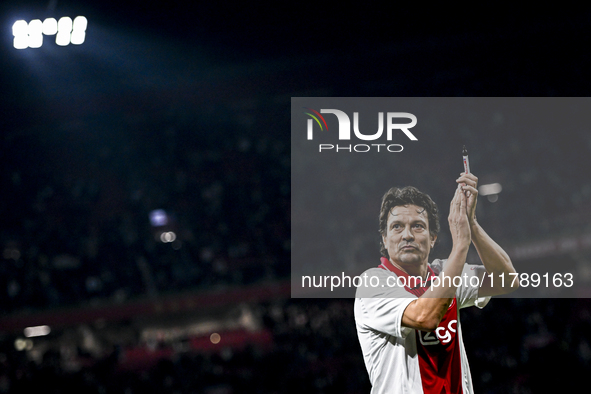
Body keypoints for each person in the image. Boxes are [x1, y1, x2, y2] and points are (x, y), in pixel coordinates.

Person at [354, 173, 519, 394]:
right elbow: (425, 316)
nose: (407, 235)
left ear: (432, 238)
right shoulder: (372, 282)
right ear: (384, 239)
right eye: (396, 227)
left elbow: (507, 280)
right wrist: (461, 245)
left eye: (418, 226)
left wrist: (471, 224)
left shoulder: (443, 272)